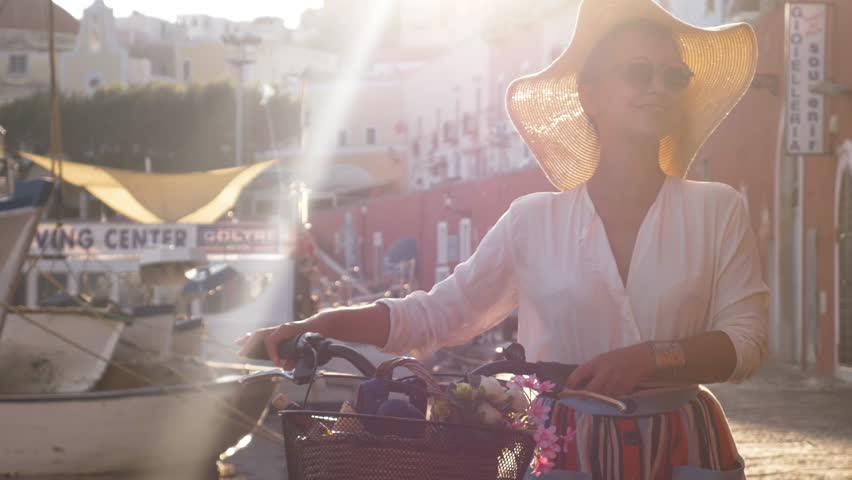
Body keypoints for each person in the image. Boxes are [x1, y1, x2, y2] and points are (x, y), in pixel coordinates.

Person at [237, 0, 766, 478]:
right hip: (566, 452)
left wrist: (652, 358)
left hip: (687, 448)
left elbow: (746, 345)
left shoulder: (718, 208)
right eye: (638, 72)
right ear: (590, 94)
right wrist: (320, 323)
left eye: (674, 76)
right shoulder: (531, 221)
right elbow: (436, 315)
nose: (658, 87)